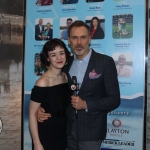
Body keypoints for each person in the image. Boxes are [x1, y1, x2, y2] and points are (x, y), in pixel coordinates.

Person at [37, 20, 120, 150]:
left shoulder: (105, 62)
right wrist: (41, 109)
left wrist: (86, 104)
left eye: (83, 37)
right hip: (66, 130)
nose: (79, 42)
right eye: (75, 38)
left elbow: (114, 99)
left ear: (90, 39)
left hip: (91, 132)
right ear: (69, 40)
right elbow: (55, 90)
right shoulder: (65, 63)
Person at [29, 38, 71, 150]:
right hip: (46, 134)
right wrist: (37, 143)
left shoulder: (66, 77)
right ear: (48, 58)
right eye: (53, 55)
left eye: (61, 53)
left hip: (62, 132)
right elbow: (32, 114)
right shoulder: (42, 82)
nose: (59, 58)